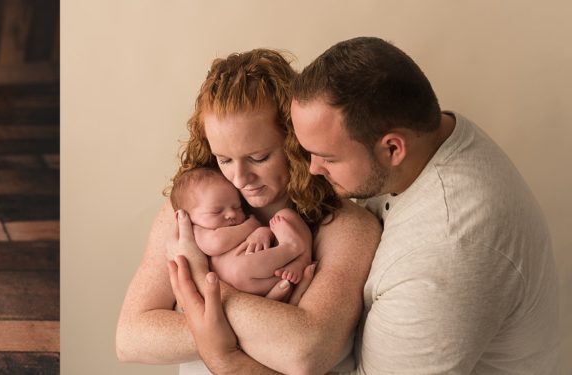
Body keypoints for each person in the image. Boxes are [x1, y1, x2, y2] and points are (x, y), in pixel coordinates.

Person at [175, 37, 560, 373]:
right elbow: (130, 336)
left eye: (327, 157)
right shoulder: (430, 133)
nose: (311, 168)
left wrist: (224, 355)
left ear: (393, 148)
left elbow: (306, 353)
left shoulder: (447, 250)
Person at [115, 48, 382, 374]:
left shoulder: (345, 225)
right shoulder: (191, 212)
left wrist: (200, 280)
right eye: (224, 160)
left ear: (294, 141)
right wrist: (254, 328)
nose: (240, 179)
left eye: (258, 158)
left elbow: (306, 352)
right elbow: (130, 338)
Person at [168, 166, 312, 294]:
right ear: (187, 216)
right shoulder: (196, 231)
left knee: (284, 216)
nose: (231, 214)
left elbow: (269, 231)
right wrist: (252, 226)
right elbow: (217, 243)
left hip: (278, 265)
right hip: (249, 281)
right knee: (239, 270)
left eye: (237, 207)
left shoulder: (240, 222)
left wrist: (263, 232)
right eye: (216, 211)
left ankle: (302, 259)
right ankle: (292, 249)